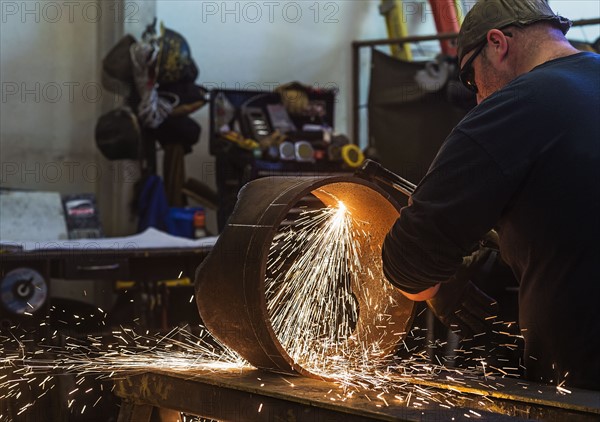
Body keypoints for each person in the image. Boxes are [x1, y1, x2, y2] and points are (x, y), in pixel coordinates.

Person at [381, 0, 600, 390]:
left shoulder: (515, 105)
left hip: (579, 385)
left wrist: (440, 291)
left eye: (470, 76)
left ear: (497, 43)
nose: (478, 96)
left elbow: (408, 260)